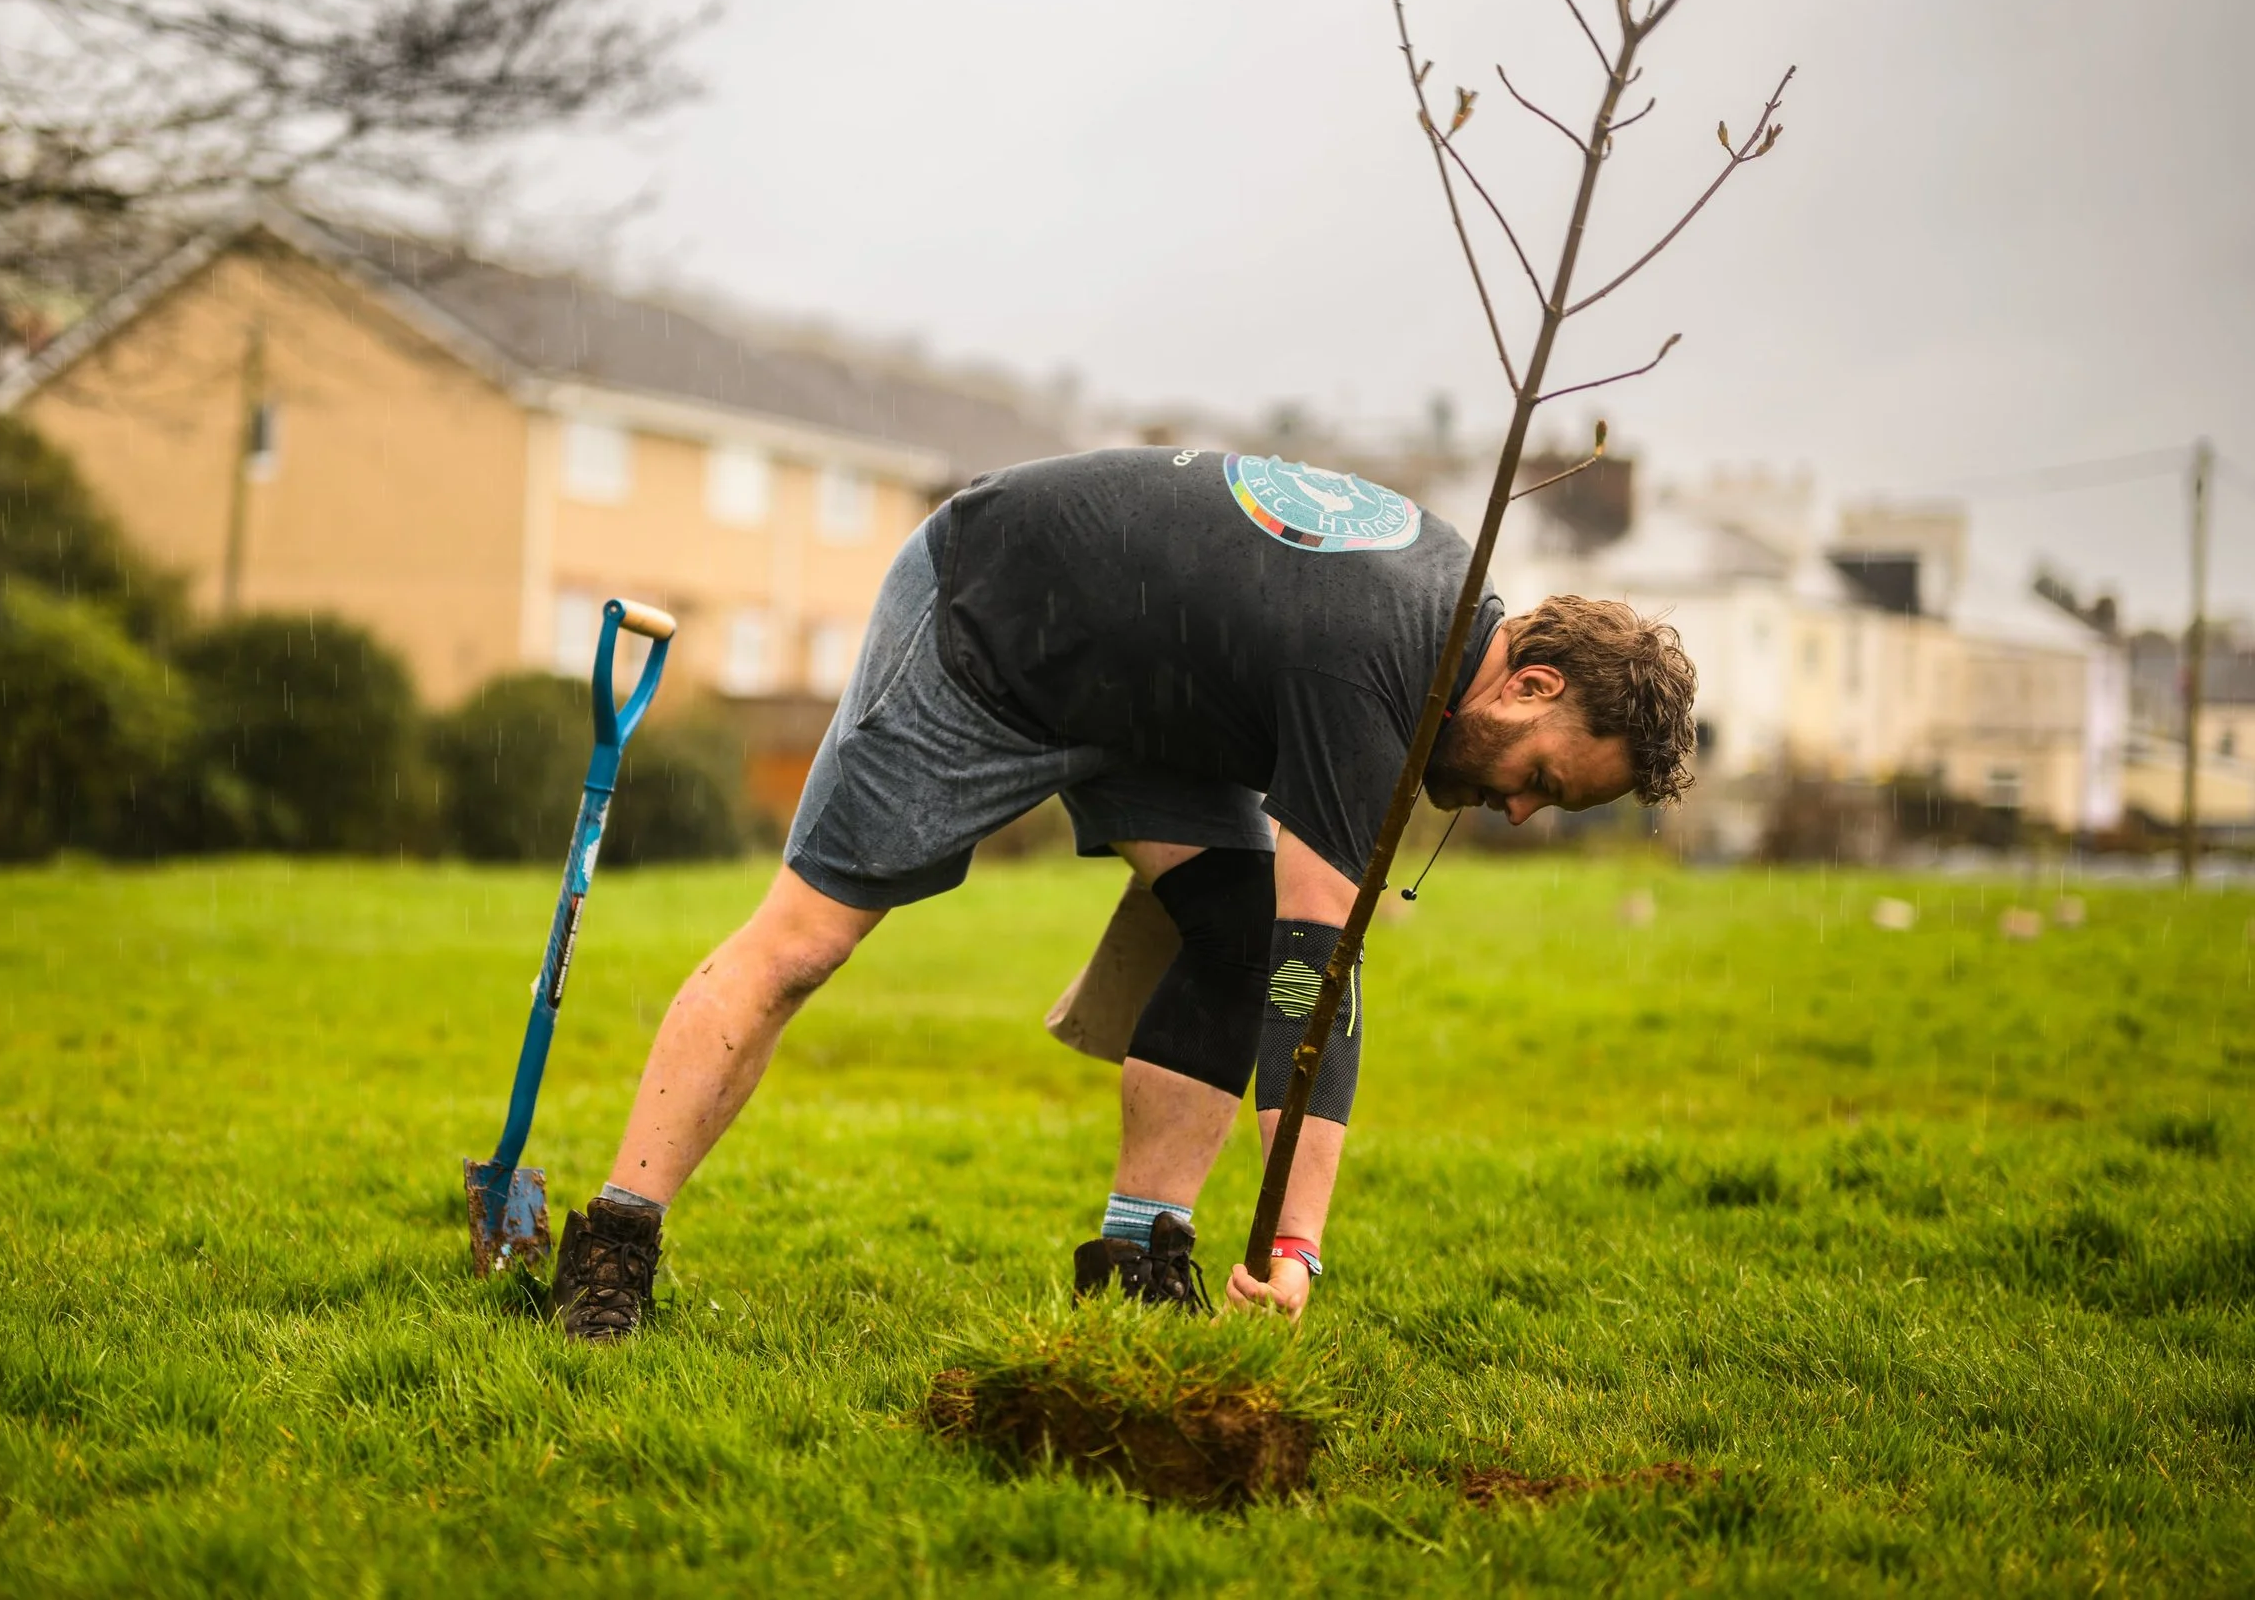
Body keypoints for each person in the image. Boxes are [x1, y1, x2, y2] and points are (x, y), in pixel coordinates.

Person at [548, 446, 1697, 1342]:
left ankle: (1139, 1257)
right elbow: (1319, 976)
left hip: (1146, 691)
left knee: (1234, 929)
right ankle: (613, 1245)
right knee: (802, 942)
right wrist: (1297, 1243)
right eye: (1540, 778)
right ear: (1532, 682)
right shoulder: (1382, 663)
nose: (1515, 811)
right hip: (993, 626)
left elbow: (1287, 954)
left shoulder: (1451, 634)